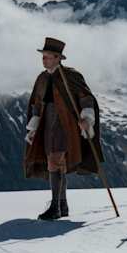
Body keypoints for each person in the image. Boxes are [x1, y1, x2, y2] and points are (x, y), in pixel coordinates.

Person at [24, 37, 103, 220]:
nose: (44, 60)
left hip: (65, 123)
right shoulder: (42, 78)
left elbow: (85, 97)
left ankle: (55, 207)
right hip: (46, 123)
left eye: (48, 56)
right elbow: (36, 102)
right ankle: (63, 205)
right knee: (56, 162)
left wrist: (86, 117)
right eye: (43, 56)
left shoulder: (71, 76)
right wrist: (34, 124)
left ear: (58, 57)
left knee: (55, 160)